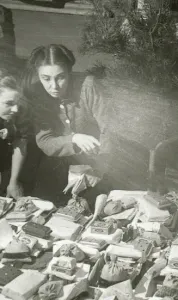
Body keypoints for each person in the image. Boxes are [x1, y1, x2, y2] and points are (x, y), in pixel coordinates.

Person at [22, 44, 115, 205]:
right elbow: (45, 141)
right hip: (56, 167)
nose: (54, 86)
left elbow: (110, 129)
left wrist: (101, 167)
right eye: (46, 78)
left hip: (96, 164)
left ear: (69, 72)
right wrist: (73, 138)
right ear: (38, 74)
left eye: (60, 77)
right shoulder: (38, 95)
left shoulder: (88, 86)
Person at [0, 69, 30, 199]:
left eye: (18, 103)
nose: (16, 109)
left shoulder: (18, 114)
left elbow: (20, 142)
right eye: (9, 103)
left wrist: (13, 181)